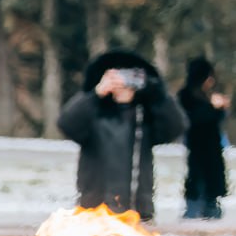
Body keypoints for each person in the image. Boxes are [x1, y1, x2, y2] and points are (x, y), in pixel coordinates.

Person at [58, 49, 187, 222]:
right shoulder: (93, 111)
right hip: (95, 209)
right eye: (117, 75)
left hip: (137, 210)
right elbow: (66, 123)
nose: (123, 80)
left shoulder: (146, 115)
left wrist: (157, 93)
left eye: (130, 75)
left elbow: (177, 126)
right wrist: (96, 93)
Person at [177, 57, 229, 219]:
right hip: (197, 145)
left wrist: (220, 109)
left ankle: (210, 208)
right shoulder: (186, 95)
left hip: (211, 146)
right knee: (197, 179)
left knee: (211, 179)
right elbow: (193, 119)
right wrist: (214, 108)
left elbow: (215, 120)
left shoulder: (206, 96)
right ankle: (195, 209)